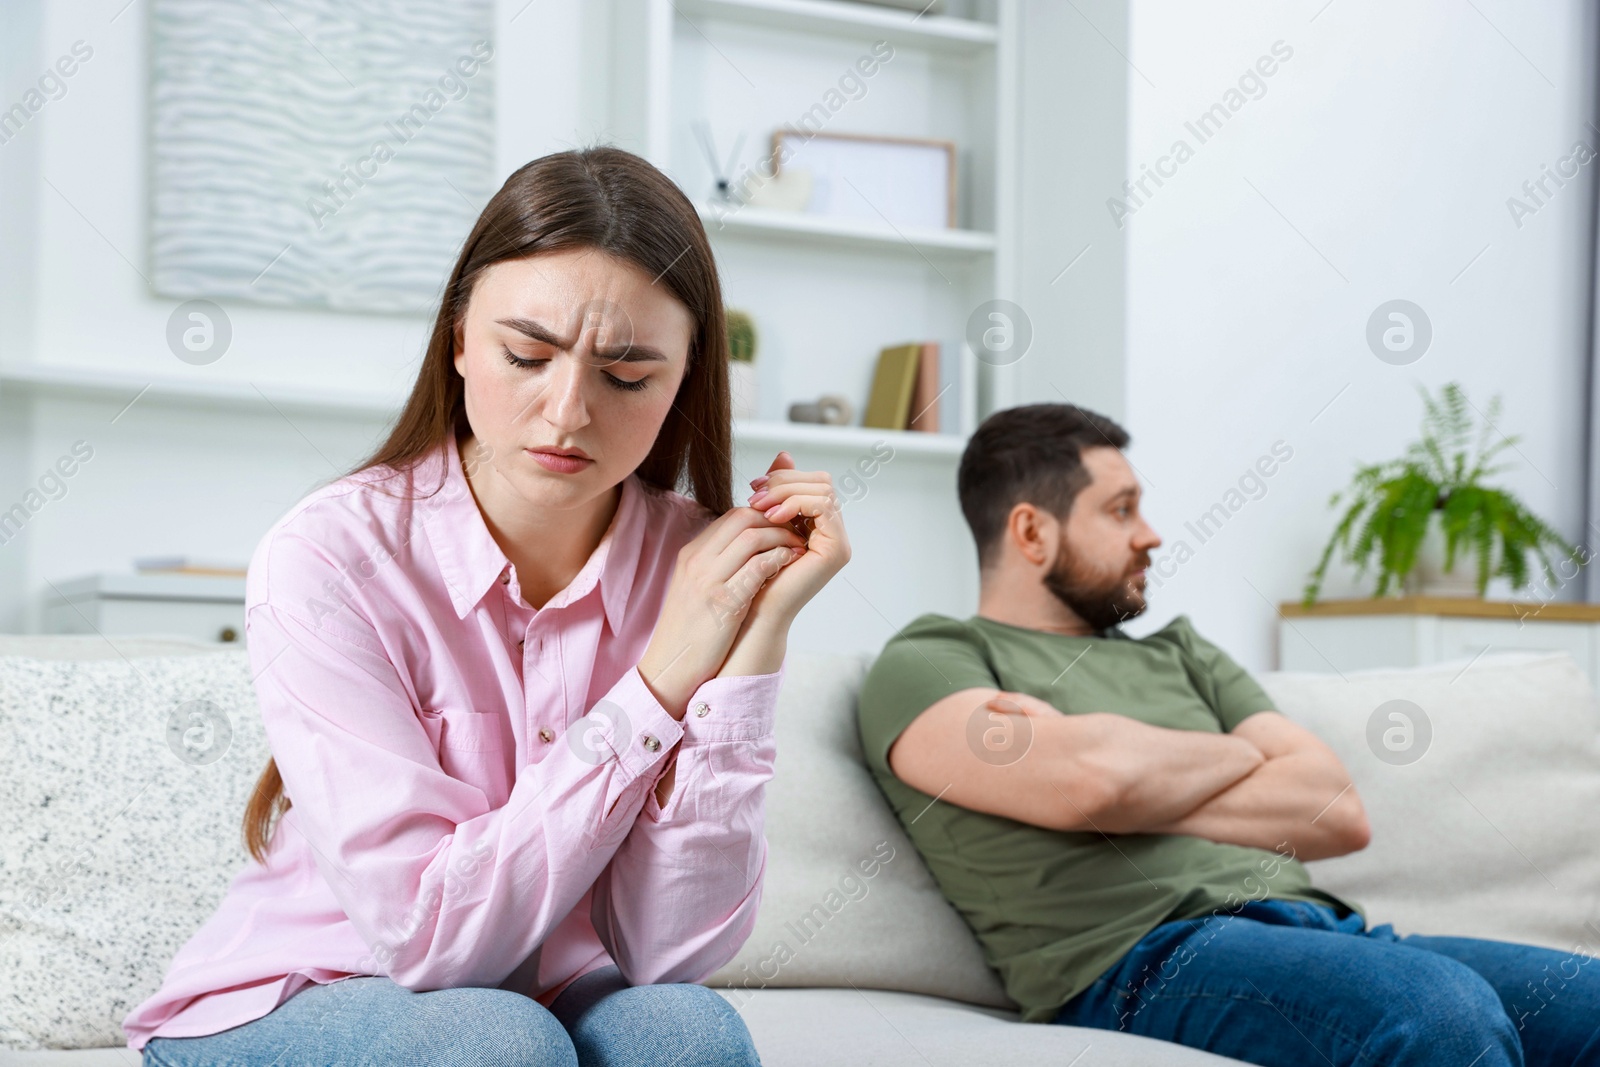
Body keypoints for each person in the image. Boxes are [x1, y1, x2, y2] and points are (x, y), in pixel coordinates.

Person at [125, 146, 850, 1066]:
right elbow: (431, 940)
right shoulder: (328, 557)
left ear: (682, 385)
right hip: (315, 988)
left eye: (627, 375)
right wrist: (666, 673)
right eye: (526, 355)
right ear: (460, 339)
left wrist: (758, 633)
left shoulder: (699, 562)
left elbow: (673, 951)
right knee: (493, 1039)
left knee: (686, 1031)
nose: (568, 411)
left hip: (543, 999)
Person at [856, 402, 1600, 1067]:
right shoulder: (933, 658)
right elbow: (1093, 782)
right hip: (1140, 958)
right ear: (1031, 531)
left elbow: (1335, 810)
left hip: (1327, 933)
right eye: (1121, 510)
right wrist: (1234, 760)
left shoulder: (1182, 652)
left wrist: (1116, 768)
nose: (1151, 535)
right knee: (1438, 1011)